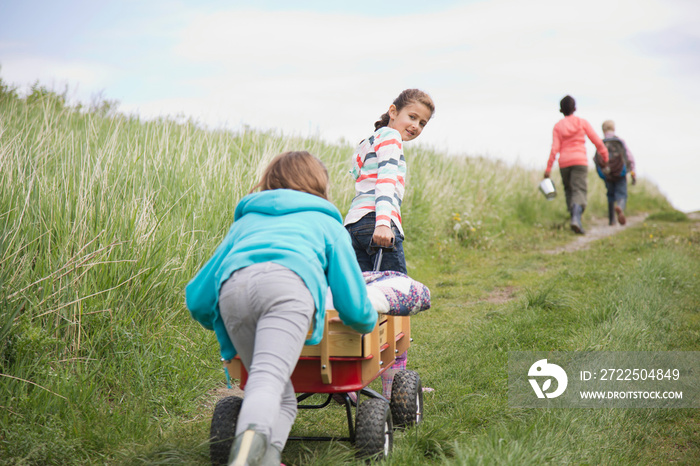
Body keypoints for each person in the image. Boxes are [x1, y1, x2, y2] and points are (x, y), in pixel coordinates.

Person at [186, 151, 377, 466]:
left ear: (270, 181)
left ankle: (268, 459)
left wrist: (221, 322)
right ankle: (248, 444)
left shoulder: (245, 224)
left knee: (283, 398)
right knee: (268, 378)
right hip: (287, 288)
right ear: (319, 184)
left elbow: (197, 297)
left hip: (233, 291)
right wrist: (366, 324)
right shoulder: (327, 224)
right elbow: (353, 305)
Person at [344, 88, 435, 398]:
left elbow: (361, 183)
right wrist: (384, 221)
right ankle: (395, 382)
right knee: (397, 301)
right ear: (393, 111)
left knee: (359, 299)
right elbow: (384, 181)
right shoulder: (391, 139)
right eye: (412, 117)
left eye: (423, 123)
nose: (416, 126)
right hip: (377, 224)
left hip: (354, 225)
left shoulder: (368, 141)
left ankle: (352, 376)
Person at [544, 95, 609, 234]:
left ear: (561, 110)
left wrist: (548, 168)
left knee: (569, 190)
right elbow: (597, 141)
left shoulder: (558, 126)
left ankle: (574, 218)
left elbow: (555, 148)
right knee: (579, 190)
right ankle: (576, 218)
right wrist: (605, 156)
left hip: (564, 163)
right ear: (575, 108)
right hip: (580, 161)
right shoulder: (582, 123)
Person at [600, 119, 637, 226]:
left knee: (610, 194)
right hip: (620, 172)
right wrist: (632, 172)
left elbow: (596, 159)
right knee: (621, 193)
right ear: (614, 128)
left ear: (603, 130)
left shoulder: (601, 143)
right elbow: (629, 157)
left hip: (607, 173)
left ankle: (611, 220)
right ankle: (620, 207)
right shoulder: (620, 141)